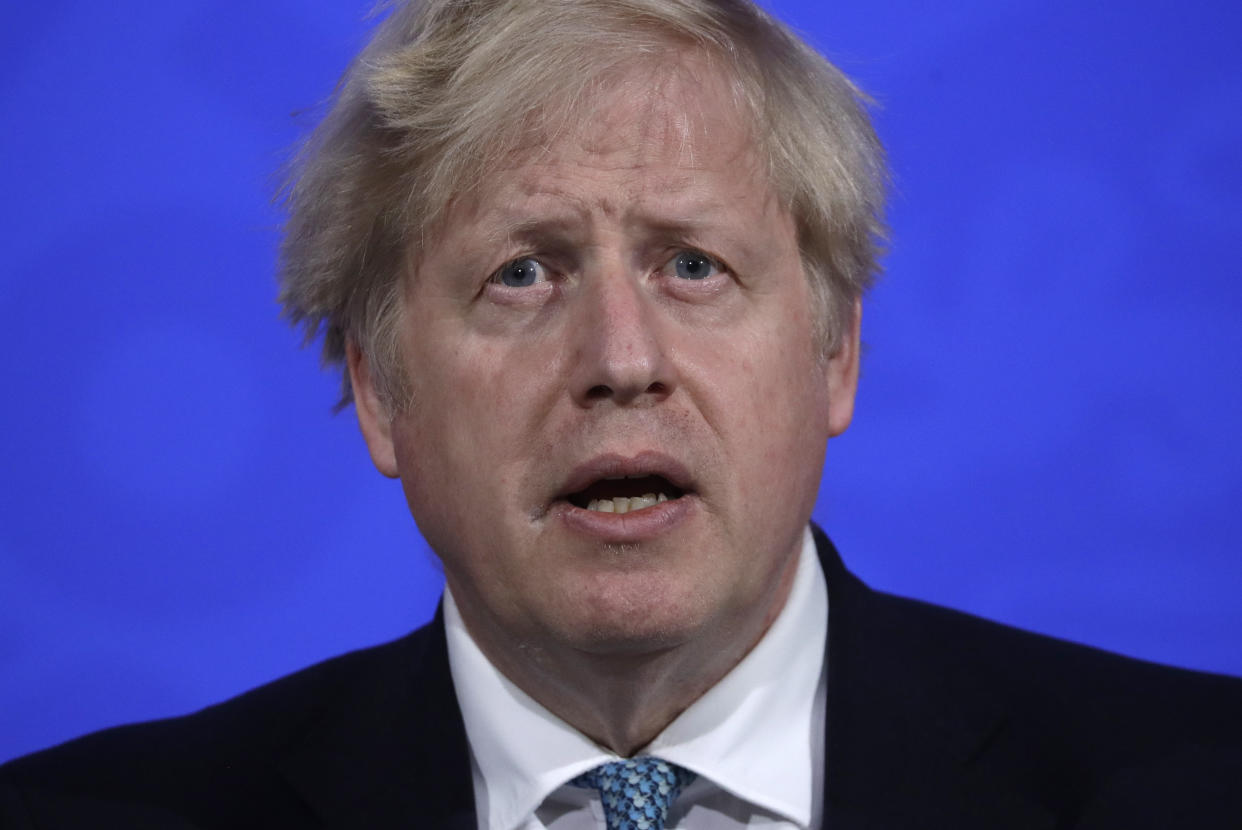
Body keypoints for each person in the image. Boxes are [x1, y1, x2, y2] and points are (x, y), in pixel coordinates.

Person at [2, 0, 1240, 827]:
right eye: (523, 271)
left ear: (836, 353)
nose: (622, 359)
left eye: (692, 264)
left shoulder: (1194, 781)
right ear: (380, 391)